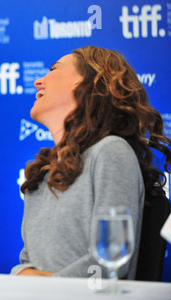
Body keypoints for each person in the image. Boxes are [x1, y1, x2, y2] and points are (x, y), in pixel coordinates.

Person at [11, 46, 171, 279]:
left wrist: (43, 288)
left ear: (87, 84)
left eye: (53, 69)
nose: (38, 81)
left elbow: (110, 260)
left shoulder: (111, 151)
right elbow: (26, 262)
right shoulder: (43, 170)